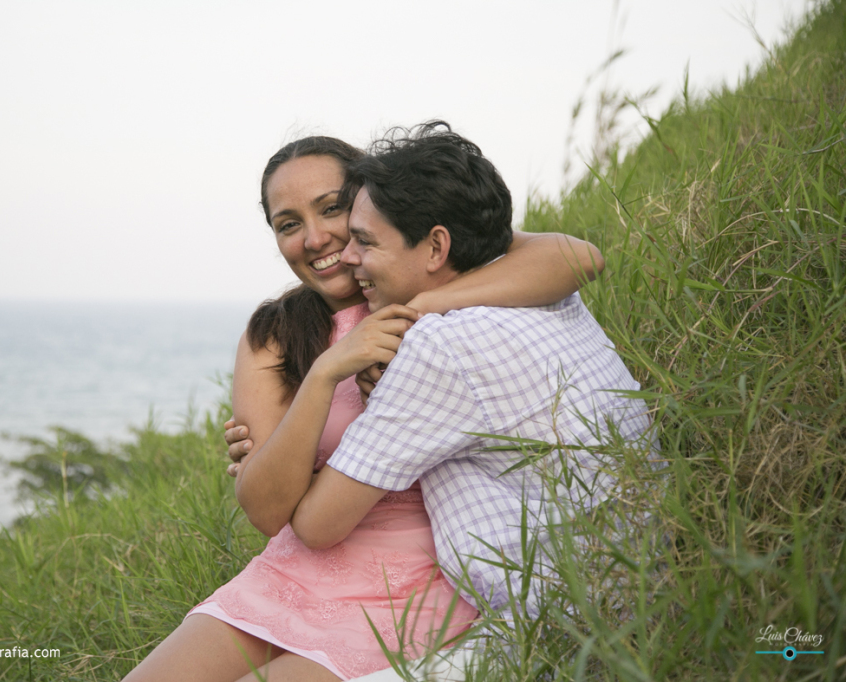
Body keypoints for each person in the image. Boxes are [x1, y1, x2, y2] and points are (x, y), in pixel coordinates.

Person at [121, 133, 605, 682]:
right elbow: (264, 508)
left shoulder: (441, 279)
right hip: (296, 569)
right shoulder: (275, 336)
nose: (317, 237)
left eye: (332, 208)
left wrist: (419, 310)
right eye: (288, 224)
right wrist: (327, 373)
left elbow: (576, 256)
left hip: (418, 580)